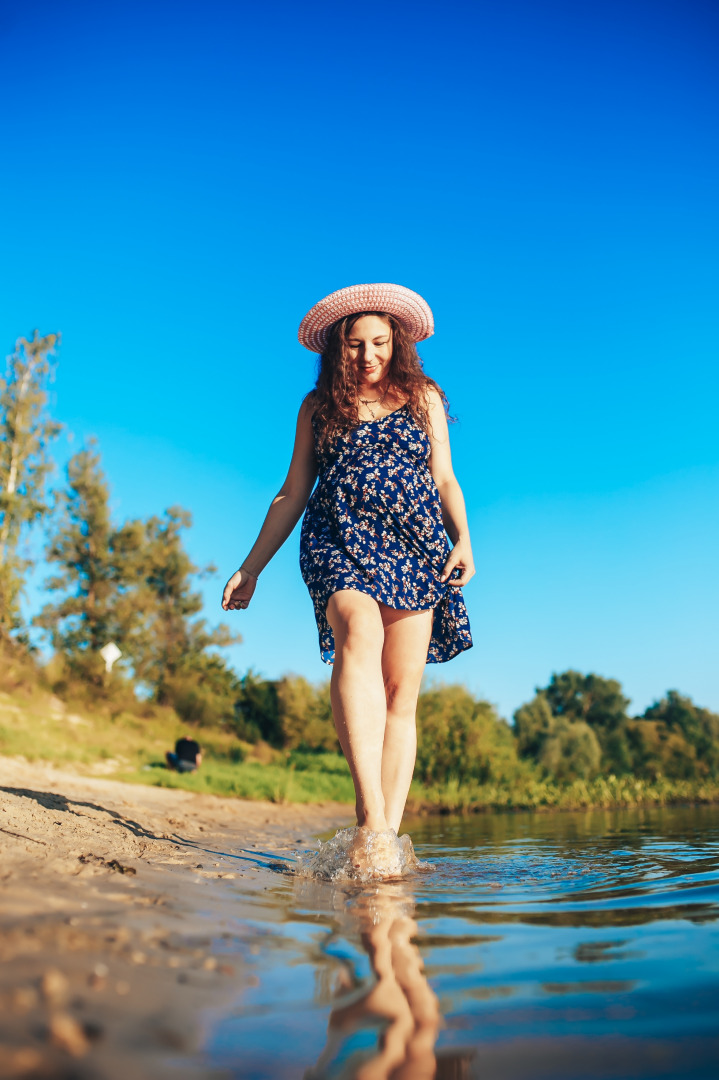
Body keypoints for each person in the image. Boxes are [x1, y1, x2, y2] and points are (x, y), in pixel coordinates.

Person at [222, 283, 474, 865]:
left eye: (379, 343)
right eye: (355, 345)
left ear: (397, 343)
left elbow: (444, 479)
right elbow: (291, 493)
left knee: (399, 695)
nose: (367, 356)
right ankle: (371, 820)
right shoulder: (319, 407)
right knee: (356, 628)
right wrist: (251, 567)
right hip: (338, 541)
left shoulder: (423, 397)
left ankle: (382, 846)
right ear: (337, 347)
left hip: (415, 546)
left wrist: (463, 537)